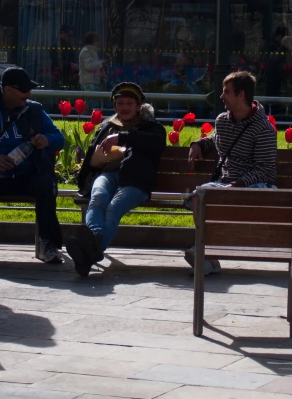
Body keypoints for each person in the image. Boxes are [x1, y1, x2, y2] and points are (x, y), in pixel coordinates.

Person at [0, 67, 65, 264]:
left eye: (29, 90)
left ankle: (48, 244)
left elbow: (59, 137)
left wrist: (47, 140)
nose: (28, 94)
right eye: (23, 90)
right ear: (7, 90)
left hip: (27, 175)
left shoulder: (35, 110)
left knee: (45, 185)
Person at [67, 82, 166, 277]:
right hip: (108, 175)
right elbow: (91, 156)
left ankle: (89, 252)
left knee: (113, 207)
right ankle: (94, 245)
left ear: (139, 107)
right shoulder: (107, 126)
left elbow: (151, 143)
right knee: (97, 199)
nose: (125, 107)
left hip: (136, 181)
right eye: (120, 103)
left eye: (130, 103)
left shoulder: (153, 128)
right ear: (115, 106)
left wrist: (122, 138)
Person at [184, 71, 277, 274]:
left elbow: (265, 170)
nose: (221, 96)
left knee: (229, 196)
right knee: (198, 197)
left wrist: (240, 184)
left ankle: (205, 253)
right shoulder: (223, 121)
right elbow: (216, 138)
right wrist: (199, 143)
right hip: (226, 183)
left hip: (255, 186)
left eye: (226, 92)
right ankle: (209, 257)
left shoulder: (263, 129)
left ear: (241, 95)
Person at [78, 31, 103, 109]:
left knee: (89, 106)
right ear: (92, 41)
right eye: (97, 40)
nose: (98, 42)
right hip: (89, 82)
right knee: (91, 106)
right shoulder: (87, 51)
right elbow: (88, 66)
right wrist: (100, 63)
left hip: (91, 81)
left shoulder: (92, 51)